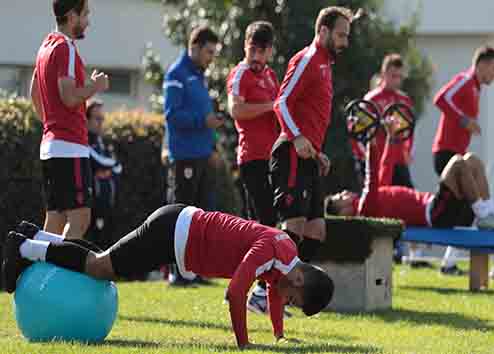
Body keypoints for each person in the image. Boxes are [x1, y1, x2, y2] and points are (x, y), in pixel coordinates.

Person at [1, 205, 334, 349]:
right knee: (99, 267)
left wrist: (278, 335)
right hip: (172, 233)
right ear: (300, 281)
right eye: (294, 300)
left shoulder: (287, 254)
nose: (283, 300)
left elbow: (274, 292)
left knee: (104, 260)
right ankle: (24, 247)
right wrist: (244, 344)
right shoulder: (271, 251)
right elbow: (235, 294)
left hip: (179, 232)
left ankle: (37, 238)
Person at [271, 7, 351, 267]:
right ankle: (263, 290)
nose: (344, 42)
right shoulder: (307, 58)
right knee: (293, 226)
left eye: (346, 36)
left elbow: (310, 118)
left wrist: (317, 153)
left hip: (308, 155)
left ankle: (285, 288)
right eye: (340, 36)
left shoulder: (325, 63)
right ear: (323, 31)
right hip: (291, 152)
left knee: (316, 232)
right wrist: (295, 137)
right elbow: (281, 102)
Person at [325, 126, 494, 231]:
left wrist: (390, 137)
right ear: (343, 213)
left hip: (440, 208)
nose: (343, 193)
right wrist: (370, 144)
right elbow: (371, 179)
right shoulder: (365, 209)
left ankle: (489, 213)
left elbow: (385, 167)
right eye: (339, 197)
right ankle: (484, 216)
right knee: (458, 163)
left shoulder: (373, 198)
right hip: (436, 214)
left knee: (473, 160)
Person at [31, 0, 110, 240]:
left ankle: (40, 274)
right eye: (85, 14)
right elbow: (68, 96)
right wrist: (95, 86)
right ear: (71, 16)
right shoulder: (65, 47)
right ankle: (57, 273)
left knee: (55, 219)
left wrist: (51, 125)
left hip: (52, 145)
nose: (88, 21)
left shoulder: (46, 46)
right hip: (68, 146)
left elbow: (34, 91)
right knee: (80, 217)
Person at [431, 45, 494, 276]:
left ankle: (448, 263)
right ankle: (486, 214)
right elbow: (440, 99)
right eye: (493, 67)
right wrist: (464, 121)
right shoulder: (465, 79)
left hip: (456, 155)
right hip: (445, 154)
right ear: (480, 64)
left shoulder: (476, 88)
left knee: (466, 212)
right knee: (468, 208)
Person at [226, 21, 281, 314]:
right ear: (245, 46)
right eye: (252, 49)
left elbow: (279, 111)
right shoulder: (240, 74)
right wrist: (270, 106)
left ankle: (260, 291)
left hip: (272, 158)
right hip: (251, 159)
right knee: (264, 224)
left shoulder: (271, 75)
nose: (257, 55)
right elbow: (236, 109)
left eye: (262, 50)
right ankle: (257, 292)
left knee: (268, 224)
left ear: (270, 51)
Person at [163, 26, 223, 286]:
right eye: (209, 52)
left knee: (200, 216)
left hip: (201, 155)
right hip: (184, 156)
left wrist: (212, 148)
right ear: (195, 47)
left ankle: (195, 270)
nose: (211, 58)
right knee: (181, 214)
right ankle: (178, 273)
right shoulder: (177, 74)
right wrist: (204, 120)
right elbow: (172, 116)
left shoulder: (199, 76)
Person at [350, 53, 415, 188]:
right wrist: (364, 156)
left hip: (398, 159)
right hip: (378, 158)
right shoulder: (371, 99)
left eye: (399, 76)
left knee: (407, 197)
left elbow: (409, 129)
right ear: (383, 73)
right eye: (393, 76)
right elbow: (357, 130)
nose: (397, 80)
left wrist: (408, 151)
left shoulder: (405, 100)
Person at [86, 99, 122, 250]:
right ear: (86, 119)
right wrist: (109, 166)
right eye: (97, 119)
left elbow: (118, 168)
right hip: (91, 204)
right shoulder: (83, 140)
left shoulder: (103, 142)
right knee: (91, 244)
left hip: (108, 202)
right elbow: (98, 160)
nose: (101, 123)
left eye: (102, 119)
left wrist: (107, 169)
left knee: (106, 243)